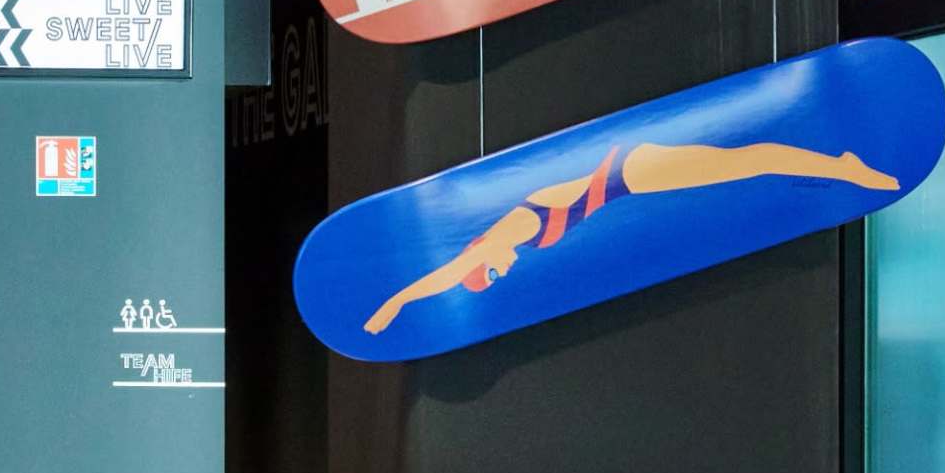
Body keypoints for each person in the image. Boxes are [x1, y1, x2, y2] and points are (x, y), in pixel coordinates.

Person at [362, 137, 901, 336]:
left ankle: (843, 166)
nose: (503, 271)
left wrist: (394, 304)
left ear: (478, 255)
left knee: (744, 163)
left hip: (626, 171)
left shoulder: (514, 227)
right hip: (627, 180)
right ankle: (839, 167)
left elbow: (448, 275)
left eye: (490, 272)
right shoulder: (517, 237)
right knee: (741, 167)